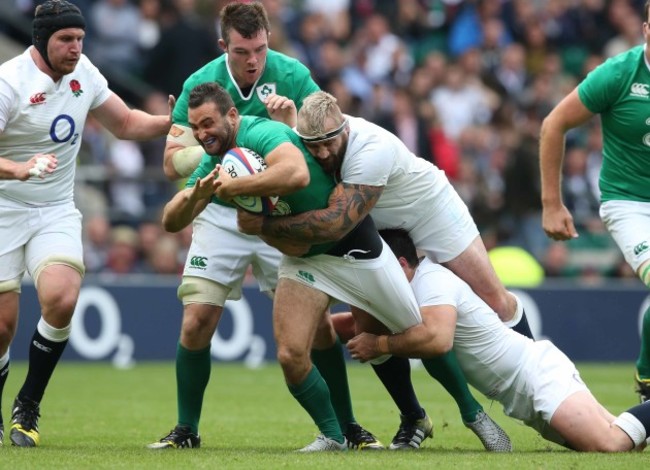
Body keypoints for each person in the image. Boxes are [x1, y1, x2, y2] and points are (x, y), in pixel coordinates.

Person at [151, 1, 420, 451]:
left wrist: (291, 124)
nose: (253, 60)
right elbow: (170, 162)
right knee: (197, 320)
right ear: (224, 47)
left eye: (259, 48)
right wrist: (224, 157)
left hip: (281, 212)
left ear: (268, 39)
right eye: (242, 52)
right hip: (221, 210)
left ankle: (348, 426)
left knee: (315, 329)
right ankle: (186, 430)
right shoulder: (200, 85)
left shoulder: (292, 74)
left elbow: (326, 141)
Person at [237, 90, 527, 450]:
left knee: (495, 299)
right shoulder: (298, 143)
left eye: (329, 142)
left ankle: (530, 370)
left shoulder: (371, 149)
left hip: (427, 210)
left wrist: (263, 225)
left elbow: (333, 224)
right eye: (314, 145)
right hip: (370, 229)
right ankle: (392, 422)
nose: (323, 152)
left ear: (343, 127)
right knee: (372, 323)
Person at [0, 0, 172, 447]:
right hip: (3, 209)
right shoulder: (9, 82)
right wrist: (18, 169)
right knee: (2, 325)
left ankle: (28, 405)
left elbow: (128, 123)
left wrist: (173, 123)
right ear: (41, 40)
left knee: (61, 296)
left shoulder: (85, 74)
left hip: (55, 208)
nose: (76, 48)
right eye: (66, 40)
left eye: (80, 39)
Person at [347, 228, 650, 452]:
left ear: (401, 264)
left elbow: (436, 341)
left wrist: (378, 345)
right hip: (524, 399)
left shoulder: (431, 281)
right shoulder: (414, 291)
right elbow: (357, 325)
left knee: (611, 444)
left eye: (379, 269)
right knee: (629, 442)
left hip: (537, 376)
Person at [539, 1, 650, 402]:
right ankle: (649, 383)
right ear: (645, 29)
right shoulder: (619, 74)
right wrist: (552, 203)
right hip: (629, 204)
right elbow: (555, 124)